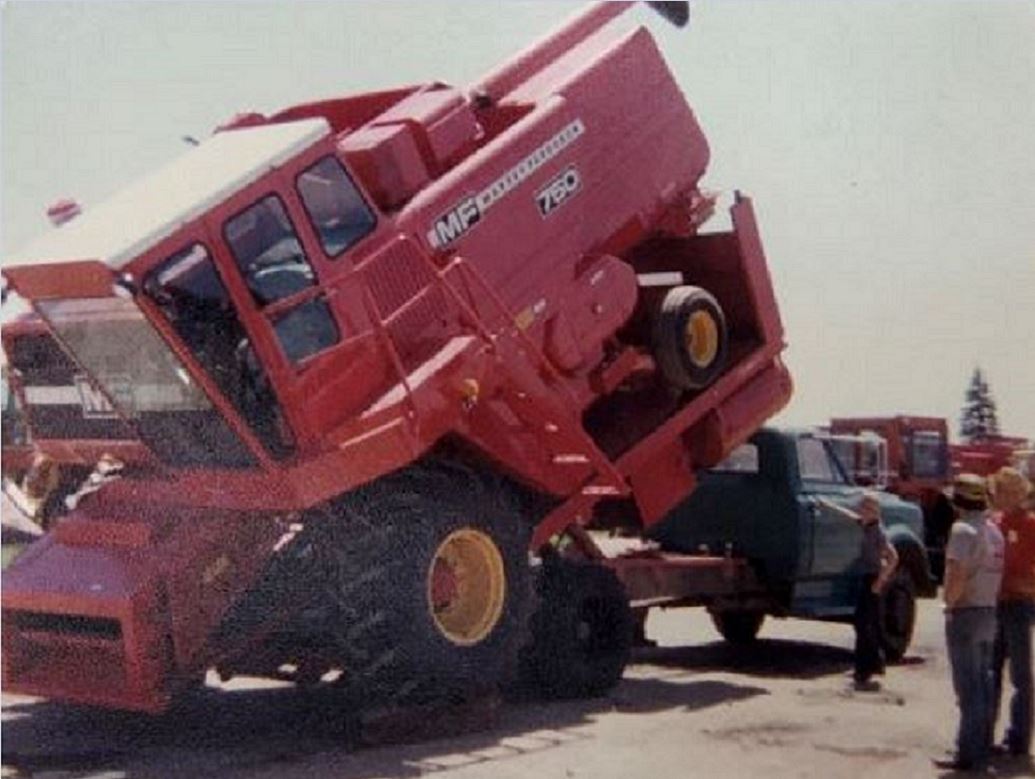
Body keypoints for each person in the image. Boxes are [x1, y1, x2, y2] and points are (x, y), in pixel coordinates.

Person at [935, 474, 1005, 772]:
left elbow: (956, 573)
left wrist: (949, 604)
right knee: (983, 684)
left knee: (967, 688)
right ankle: (981, 747)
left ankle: (967, 753)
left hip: (966, 612)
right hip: (989, 609)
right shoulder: (994, 531)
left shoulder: (962, 530)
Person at [816, 492, 898, 691]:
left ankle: (866, 668)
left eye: (865, 508)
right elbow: (848, 515)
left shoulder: (879, 532)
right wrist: (827, 505)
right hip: (865, 577)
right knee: (863, 622)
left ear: (874, 511)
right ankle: (870, 665)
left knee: (865, 623)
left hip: (873, 579)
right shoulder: (866, 524)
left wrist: (880, 581)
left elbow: (893, 557)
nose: (861, 511)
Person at [989, 467, 1035, 759]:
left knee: (1020, 676)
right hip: (994, 605)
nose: (1003, 496)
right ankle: (983, 734)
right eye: (1000, 490)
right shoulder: (994, 523)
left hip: (1018, 604)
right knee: (989, 673)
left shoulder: (1031, 525)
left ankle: (1019, 739)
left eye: (1009, 490)